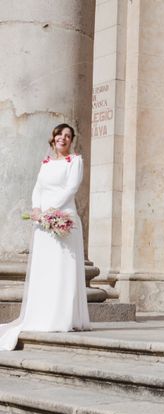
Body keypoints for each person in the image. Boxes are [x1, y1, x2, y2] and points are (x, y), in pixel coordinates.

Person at [0, 124, 90, 351]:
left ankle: (63, 318)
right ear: (53, 138)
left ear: (72, 141)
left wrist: (50, 210)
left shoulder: (75, 161)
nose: (64, 138)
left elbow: (71, 189)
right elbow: (37, 188)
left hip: (64, 219)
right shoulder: (46, 163)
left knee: (63, 267)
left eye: (68, 136)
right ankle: (41, 313)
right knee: (45, 268)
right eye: (60, 134)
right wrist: (36, 209)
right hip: (43, 222)